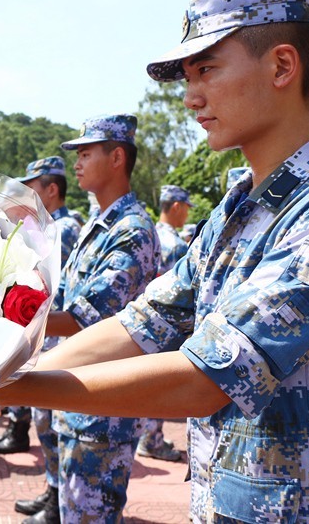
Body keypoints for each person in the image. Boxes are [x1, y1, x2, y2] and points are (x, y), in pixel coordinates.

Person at [0, 0, 309, 521]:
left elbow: (206, 379)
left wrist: (14, 386)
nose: (191, 98)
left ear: (283, 64)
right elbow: (141, 323)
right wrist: (1, 377)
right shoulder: (240, 207)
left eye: (207, 70)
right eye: (188, 79)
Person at [18, 115, 159, 523]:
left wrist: (18, 324)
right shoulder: (98, 223)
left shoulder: (131, 229)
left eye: (85, 153)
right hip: (78, 398)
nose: (76, 164)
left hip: (104, 408)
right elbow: (60, 299)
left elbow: (88, 317)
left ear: (117, 157)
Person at [0, 156, 81, 458]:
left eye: (32, 188)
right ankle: (52, 488)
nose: (26, 196)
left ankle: (54, 493)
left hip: (52, 324)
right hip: (40, 320)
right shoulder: (46, 225)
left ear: (52, 189)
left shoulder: (62, 228)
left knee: (50, 415)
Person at [136, 185, 192, 462]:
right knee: (159, 384)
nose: (186, 214)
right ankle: (152, 440)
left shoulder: (151, 234)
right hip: (167, 324)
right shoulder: (178, 244)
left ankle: (147, 436)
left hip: (141, 318)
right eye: (186, 208)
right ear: (176, 206)